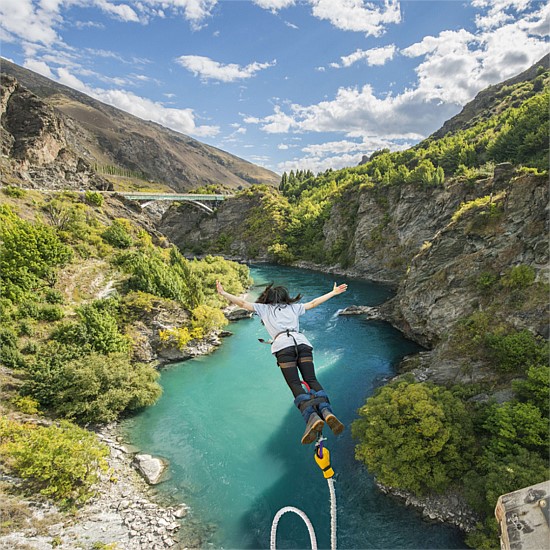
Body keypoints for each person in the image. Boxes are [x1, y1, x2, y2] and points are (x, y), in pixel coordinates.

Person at [216, 280, 348, 444]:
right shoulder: (294, 307)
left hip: (283, 347)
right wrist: (333, 293)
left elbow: (242, 303)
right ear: (286, 297)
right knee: (311, 380)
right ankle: (327, 412)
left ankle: (312, 417)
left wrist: (223, 293)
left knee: (295, 384)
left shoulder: (264, 308)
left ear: (269, 298)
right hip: (302, 343)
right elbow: (313, 303)